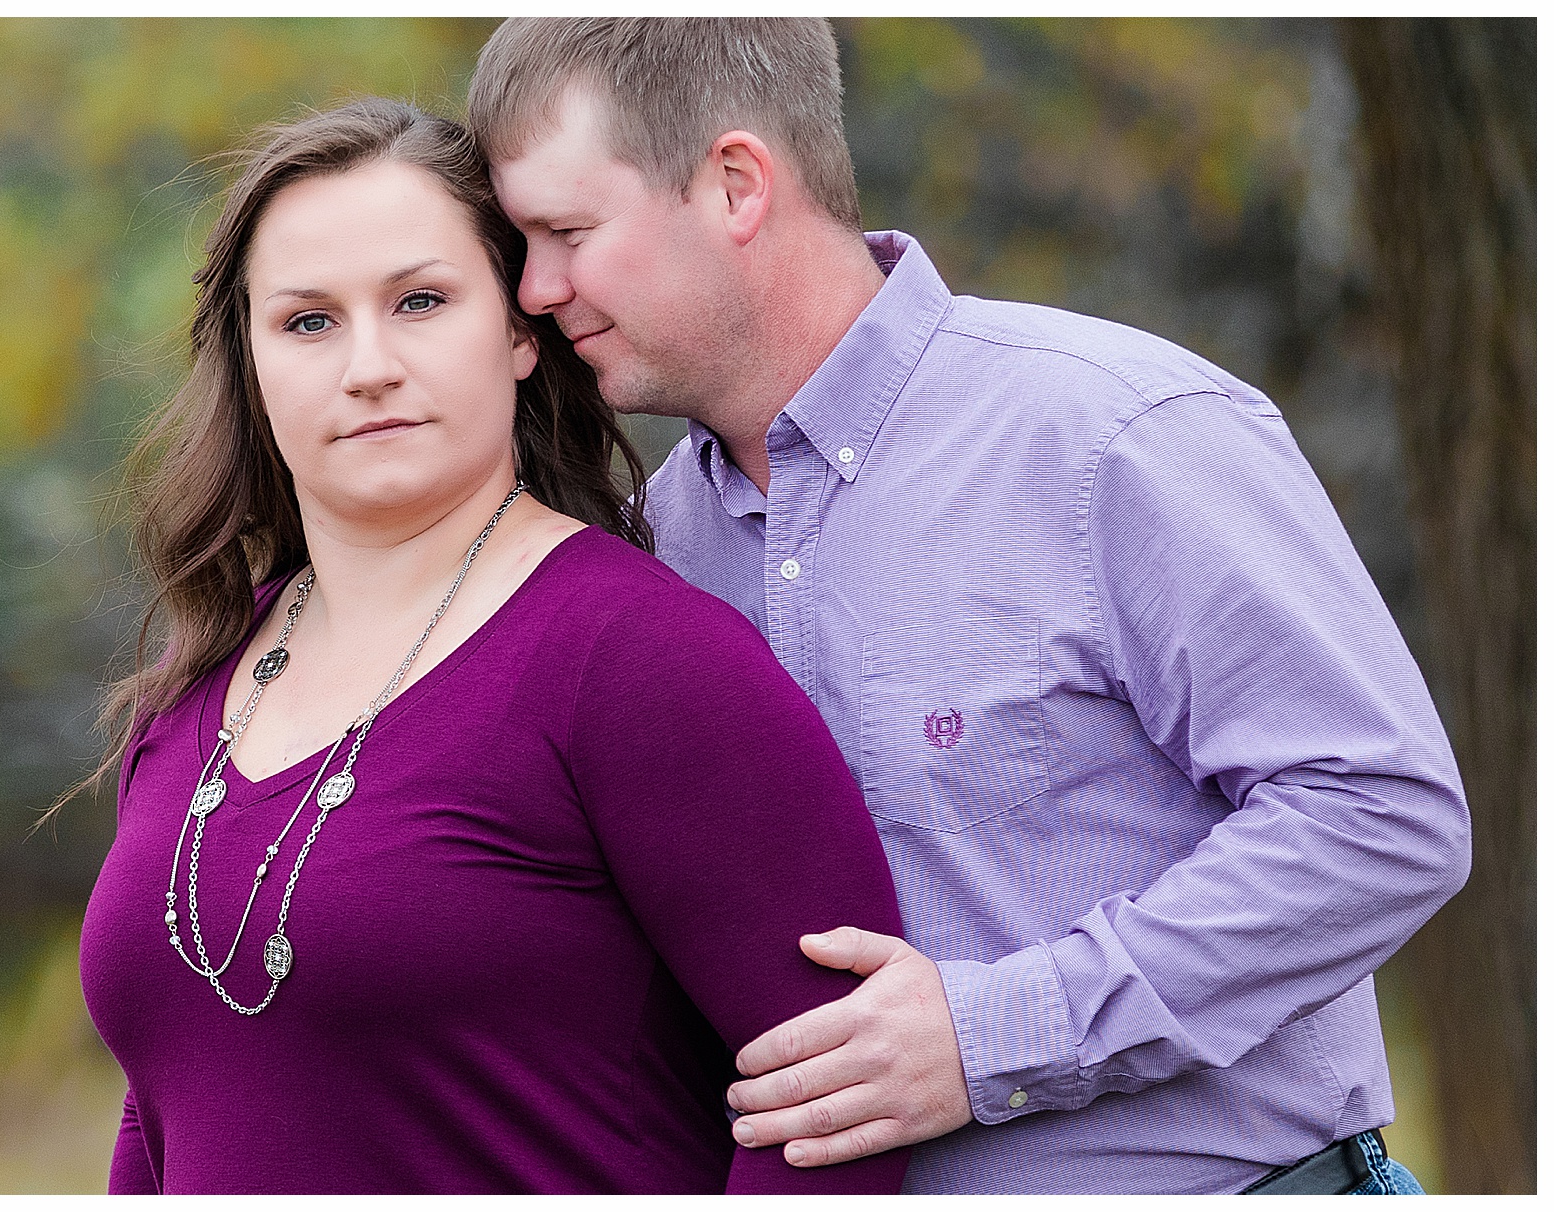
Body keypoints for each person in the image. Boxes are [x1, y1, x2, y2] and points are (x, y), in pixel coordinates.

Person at [470, 17, 1470, 1195]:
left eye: (566, 232)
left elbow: (1382, 814)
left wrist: (992, 1034)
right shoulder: (645, 560)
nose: (535, 290)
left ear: (735, 183)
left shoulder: (1116, 434)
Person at [74, 96, 912, 1195]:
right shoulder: (198, 692)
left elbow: (838, 1127)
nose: (367, 364)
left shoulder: (642, 662)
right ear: (251, 361)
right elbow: (169, 1111)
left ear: (519, 332)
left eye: (420, 301)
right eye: (308, 321)